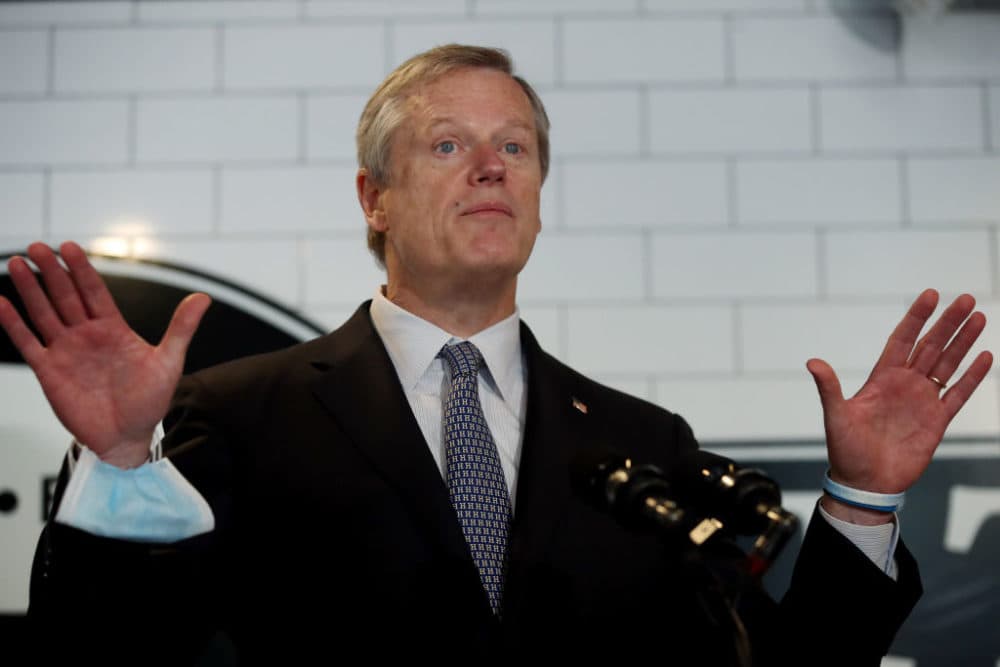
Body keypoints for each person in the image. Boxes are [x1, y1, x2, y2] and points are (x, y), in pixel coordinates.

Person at [0, 44, 992, 666]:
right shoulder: (243, 412)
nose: (488, 166)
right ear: (371, 199)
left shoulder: (645, 442)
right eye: (446, 145)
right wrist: (124, 462)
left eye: (513, 147)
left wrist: (861, 500)